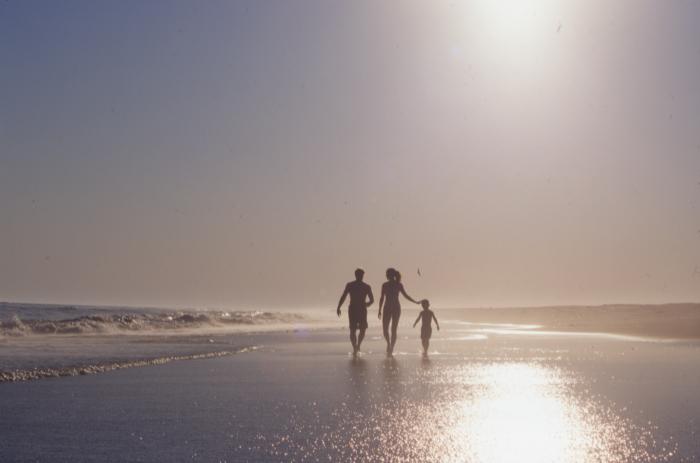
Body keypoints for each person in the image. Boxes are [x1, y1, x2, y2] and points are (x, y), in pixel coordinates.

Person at [378, 268, 420, 356]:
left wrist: (414, 301)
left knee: (391, 329)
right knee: (388, 329)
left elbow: (405, 295)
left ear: (390, 275)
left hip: (393, 308)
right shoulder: (386, 285)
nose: (386, 275)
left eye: (387, 274)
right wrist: (379, 309)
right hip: (391, 308)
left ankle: (391, 346)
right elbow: (382, 297)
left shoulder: (397, 285)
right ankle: (389, 344)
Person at [337, 268, 374, 356]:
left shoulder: (366, 286)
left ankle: (358, 345)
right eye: (359, 275)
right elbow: (344, 296)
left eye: (361, 275)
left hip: (361, 309)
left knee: (363, 329)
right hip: (353, 308)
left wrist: (367, 304)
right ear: (356, 275)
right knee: (353, 330)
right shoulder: (350, 285)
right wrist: (338, 307)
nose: (360, 277)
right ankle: (355, 347)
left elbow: (372, 300)